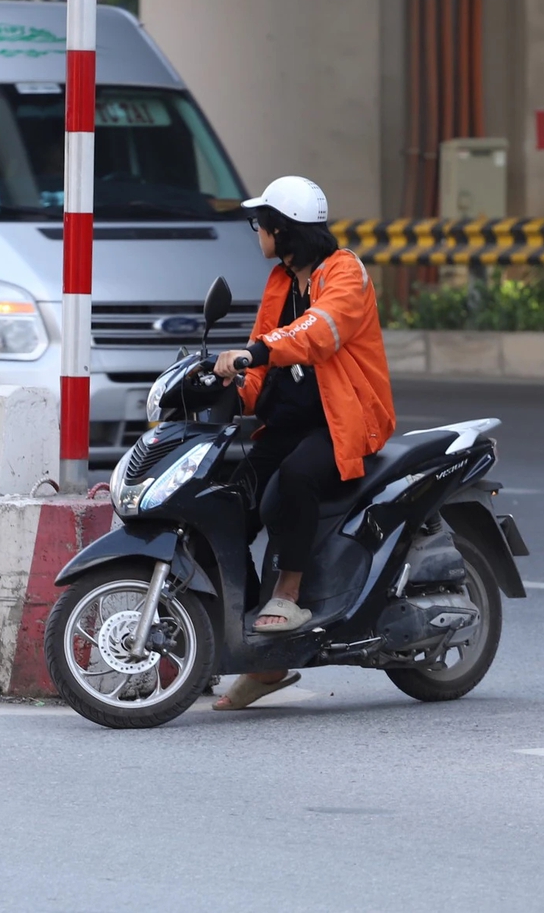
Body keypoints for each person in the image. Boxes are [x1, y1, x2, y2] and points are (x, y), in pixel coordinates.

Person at [207, 175, 395, 710]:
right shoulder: (279, 281)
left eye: (259, 223)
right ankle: (255, 650)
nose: (256, 232)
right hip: (287, 422)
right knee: (227, 506)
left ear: (281, 229)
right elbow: (259, 358)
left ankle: (287, 599)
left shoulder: (346, 273)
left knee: (295, 479)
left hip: (343, 422)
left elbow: (321, 331)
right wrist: (228, 383)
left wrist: (257, 353)